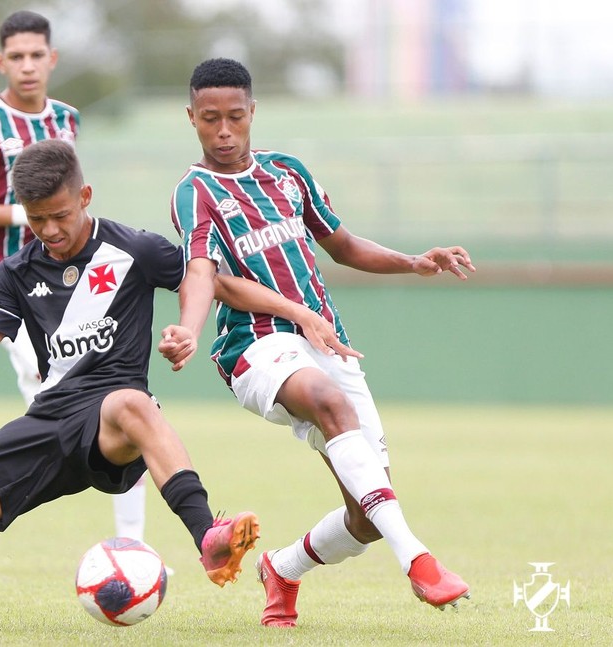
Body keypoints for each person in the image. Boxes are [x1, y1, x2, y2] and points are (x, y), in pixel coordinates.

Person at [0, 139, 278, 628]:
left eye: (60, 215)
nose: (50, 230)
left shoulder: (136, 249)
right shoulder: (16, 272)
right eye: (37, 219)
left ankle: (207, 536)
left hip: (110, 423)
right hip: (48, 421)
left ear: (85, 197)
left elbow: (203, 278)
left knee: (132, 403)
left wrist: (190, 327)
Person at [160, 58, 475, 628]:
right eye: (211, 120)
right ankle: (421, 562)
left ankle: (281, 568)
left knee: (365, 517)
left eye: (235, 117)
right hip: (254, 347)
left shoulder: (287, 172)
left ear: (253, 112)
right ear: (191, 119)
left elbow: (343, 243)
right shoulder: (195, 192)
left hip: (326, 341)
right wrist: (189, 326)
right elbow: (209, 273)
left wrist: (415, 262)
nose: (224, 131)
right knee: (330, 402)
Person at [0, 10, 149, 558]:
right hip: (23, 296)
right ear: (0, 62)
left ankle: (132, 546)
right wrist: (18, 215)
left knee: (113, 406)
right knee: (72, 411)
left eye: (37, 56)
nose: (27, 66)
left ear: (52, 60)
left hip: (80, 285)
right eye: (17, 57)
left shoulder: (67, 119)